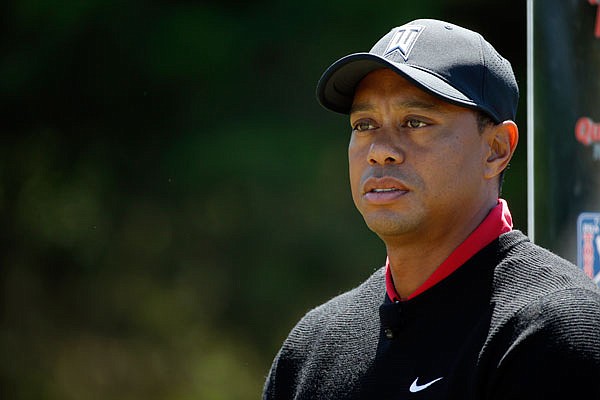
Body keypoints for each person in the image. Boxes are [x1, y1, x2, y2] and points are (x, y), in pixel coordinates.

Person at [262, 18, 600, 399]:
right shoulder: (310, 350)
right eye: (364, 124)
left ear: (496, 149)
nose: (380, 149)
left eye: (415, 121)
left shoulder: (557, 331)